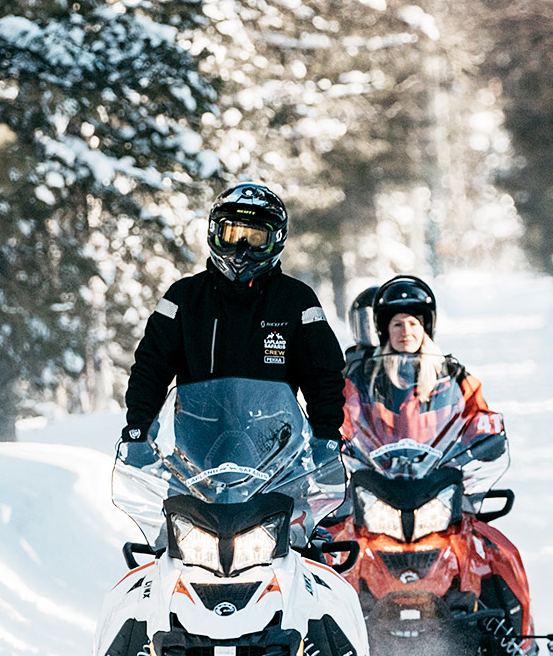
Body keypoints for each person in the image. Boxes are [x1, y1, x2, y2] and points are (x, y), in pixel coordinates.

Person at [119, 182, 347, 479]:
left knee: (308, 510)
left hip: (277, 464)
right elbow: (150, 370)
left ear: (275, 240)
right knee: (162, 511)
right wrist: (139, 431)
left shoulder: (297, 301)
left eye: (255, 237)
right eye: (232, 234)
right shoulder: (184, 298)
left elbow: (324, 378)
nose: (241, 249)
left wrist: (326, 439)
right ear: (215, 233)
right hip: (194, 463)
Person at [343, 274, 503, 456]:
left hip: (439, 469)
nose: (406, 332)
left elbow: (477, 413)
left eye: (413, 323)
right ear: (385, 331)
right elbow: (345, 417)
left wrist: (484, 435)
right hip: (376, 470)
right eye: (397, 324)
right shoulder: (364, 377)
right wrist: (336, 442)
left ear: (425, 329)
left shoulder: (451, 375)